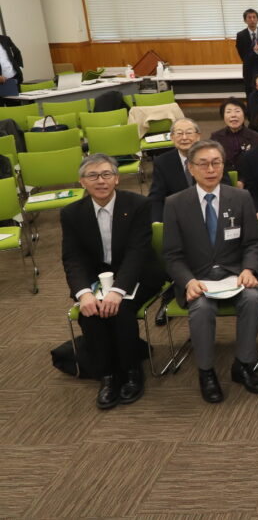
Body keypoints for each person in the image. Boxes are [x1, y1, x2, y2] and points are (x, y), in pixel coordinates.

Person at [162, 140, 258, 403]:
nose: (210, 169)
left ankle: (243, 365)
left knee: (253, 298)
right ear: (191, 168)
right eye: (203, 164)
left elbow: (253, 243)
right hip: (198, 278)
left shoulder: (240, 198)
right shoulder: (175, 203)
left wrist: (249, 269)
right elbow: (172, 254)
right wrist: (188, 282)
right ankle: (206, 371)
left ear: (223, 166)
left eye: (216, 163)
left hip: (235, 275)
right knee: (201, 308)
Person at [61, 154, 165, 409]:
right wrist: (84, 293)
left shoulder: (138, 204)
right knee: (89, 313)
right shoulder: (71, 213)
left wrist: (118, 291)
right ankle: (107, 375)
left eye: (107, 174)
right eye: (93, 176)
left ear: (116, 178)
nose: (101, 181)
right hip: (97, 277)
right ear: (82, 182)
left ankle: (131, 371)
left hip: (138, 273)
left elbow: (138, 252)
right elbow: (73, 258)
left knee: (121, 310)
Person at [149, 118, 222, 222]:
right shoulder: (162, 162)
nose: (184, 137)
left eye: (189, 133)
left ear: (198, 136)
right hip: (179, 216)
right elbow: (156, 198)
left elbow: (225, 187)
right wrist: (158, 223)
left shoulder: (212, 156)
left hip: (210, 210)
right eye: (179, 133)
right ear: (172, 137)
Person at [210, 98, 258, 173]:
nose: (233, 115)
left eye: (237, 111)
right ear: (223, 116)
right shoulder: (215, 137)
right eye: (228, 112)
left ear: (244, 114)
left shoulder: (256, 137)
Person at [0, 32, 25, 100]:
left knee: (15, 103)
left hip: (12, 78)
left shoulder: (5, 39)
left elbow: (17, 53)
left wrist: (19, 68)